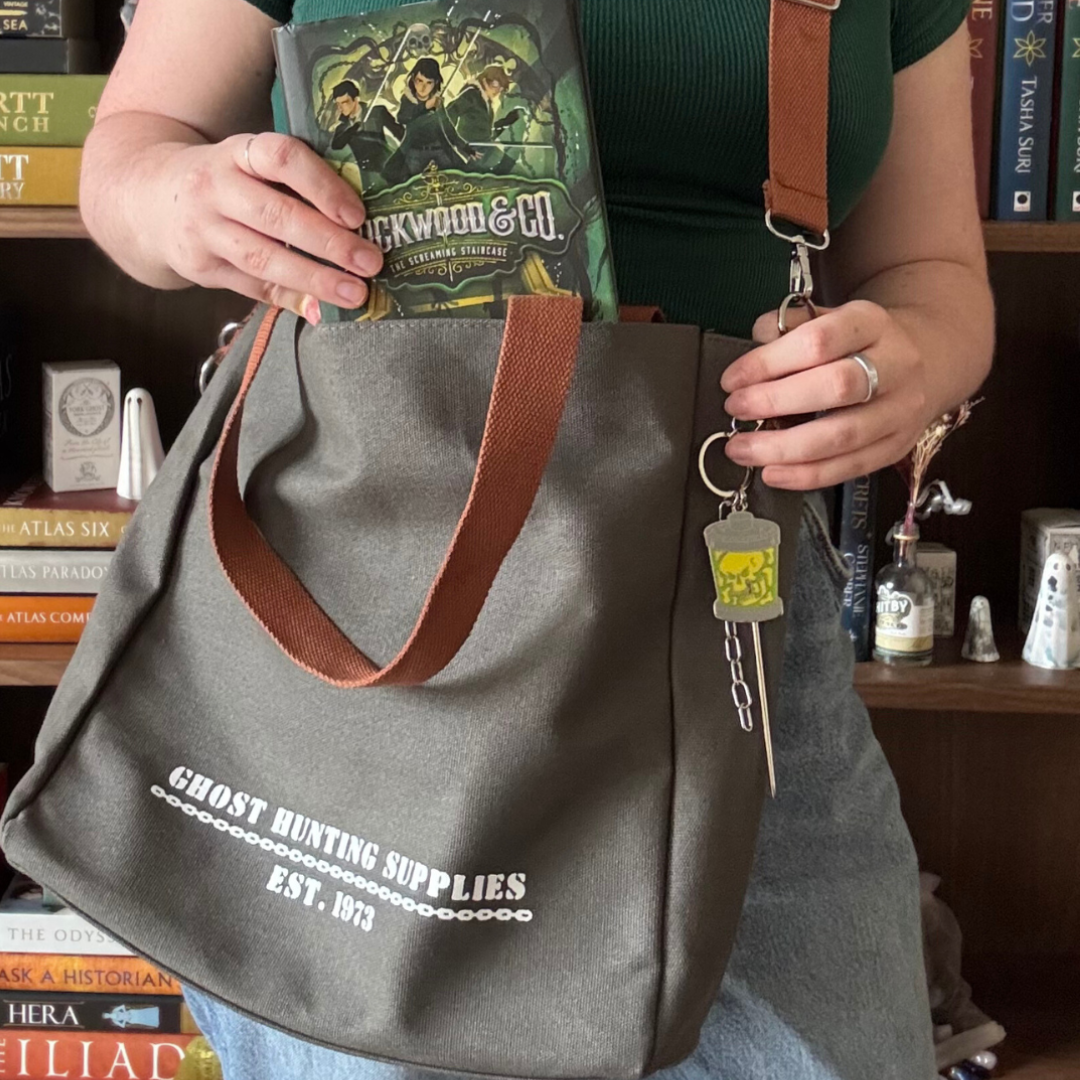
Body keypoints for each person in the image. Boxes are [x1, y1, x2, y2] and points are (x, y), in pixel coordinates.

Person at [77, 0, 994, 1076]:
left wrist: (909, 362)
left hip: (729, 628)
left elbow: (935, 274)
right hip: (363, 620)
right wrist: (185, 200)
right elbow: (126, 158)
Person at [383, 56, 478, 185]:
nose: (423, 87)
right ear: (413, 79)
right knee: (412, 186)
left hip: (440, 151)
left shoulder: (437, 102)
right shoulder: (408, 100)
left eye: (429, 83)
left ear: (435, 83)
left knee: (457, 180)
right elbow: (402, 118)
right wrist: (426, 106)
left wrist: (466, 149)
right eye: (419, 81)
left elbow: (447, 127)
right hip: (415, 152)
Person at [328, 80, 403, 181]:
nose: (340, 108)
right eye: (338, 104)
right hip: (366, 174)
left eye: (344, 102)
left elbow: (399, 132)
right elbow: (336, 145)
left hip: (388, 166)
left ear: (356, 99)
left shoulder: (377, 112)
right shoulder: (342, 127)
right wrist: (354, 128)